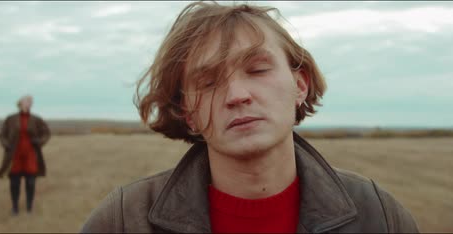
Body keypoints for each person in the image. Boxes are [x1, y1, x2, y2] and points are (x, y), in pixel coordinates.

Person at [81, 1, 419, 233]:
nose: (236, 95)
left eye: (257, 69)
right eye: (209, 82)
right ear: (187, 113)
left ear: (299, 84)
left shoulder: (379, 216)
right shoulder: (123, 222)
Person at [0, 95, 50, 215]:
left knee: (30, 183)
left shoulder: (36, 119)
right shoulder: (11, 119)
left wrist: (39, 141)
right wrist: (7, 145)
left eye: (30, 102)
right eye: (26, 101)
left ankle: (29, 208)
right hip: (14, 157)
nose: (29, 103)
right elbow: (1, 135)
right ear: (20, 103)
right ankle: (15, 208)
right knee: (14, 183)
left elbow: (46, 133)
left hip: (31, 156)